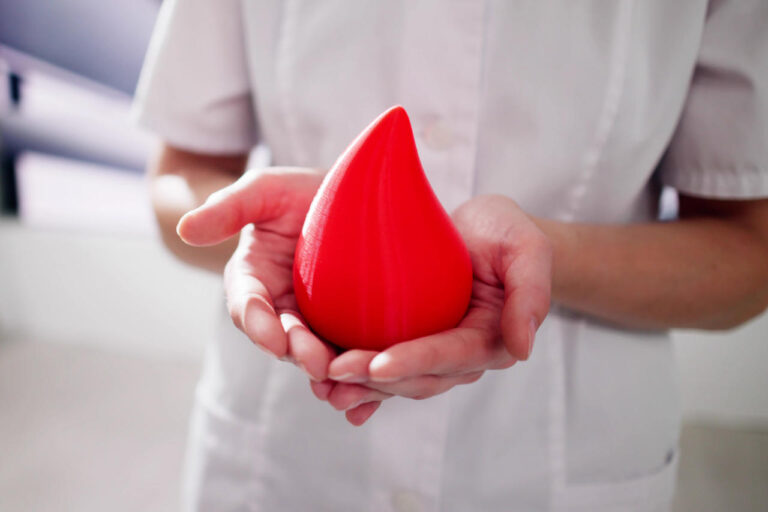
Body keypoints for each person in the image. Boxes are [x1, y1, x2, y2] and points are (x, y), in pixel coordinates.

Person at [133, 1, 768, 510]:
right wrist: (291, 236)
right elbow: (179, 176)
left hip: (560, 460)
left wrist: (539, 261)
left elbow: (749, 254)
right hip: (286, 458)